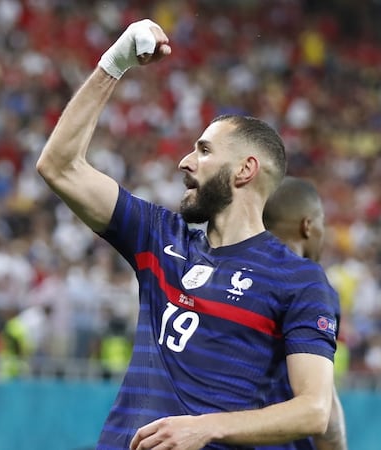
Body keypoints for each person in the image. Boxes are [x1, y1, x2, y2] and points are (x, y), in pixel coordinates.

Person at [36, 19, 340, 450]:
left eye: (204, 150)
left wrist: (206, 426)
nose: (184, 161)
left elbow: (313, 409)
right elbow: (60, 167)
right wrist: (115, 62)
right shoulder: (159, 238)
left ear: (245, 170)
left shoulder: (298, 280)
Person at [263, 177, 348, 450]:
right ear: (308, 225)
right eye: (323, 221)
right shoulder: (309, 284)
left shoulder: (231, 272)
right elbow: (324, 407)